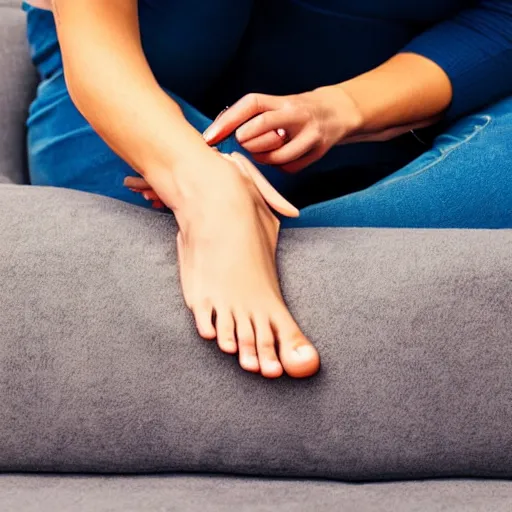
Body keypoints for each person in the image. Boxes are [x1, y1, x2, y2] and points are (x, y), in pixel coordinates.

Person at [23, 1, 512, 379]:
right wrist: (208, 189)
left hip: (393, 126)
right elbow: (97, 52)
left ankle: (278, 236)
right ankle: (270, 231)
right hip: (143, 119)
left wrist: (339, 108)